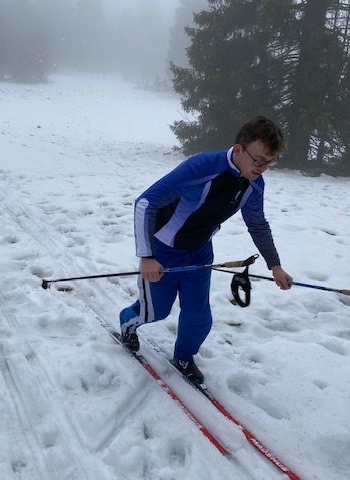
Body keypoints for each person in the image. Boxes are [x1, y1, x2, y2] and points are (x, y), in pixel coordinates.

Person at [119, 116, 293, 384]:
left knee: (199, 316)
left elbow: (257, 224)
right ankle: (127, 323)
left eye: (269, 162)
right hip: (164, 251)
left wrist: (275, 265)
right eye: (258, 159)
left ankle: (184, 356)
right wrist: (146, 256)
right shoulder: (202, 166)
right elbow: (145, 203)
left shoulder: (254, 184)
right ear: (238, 150)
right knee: (156, 311)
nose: (262, 167)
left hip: (200, 252)